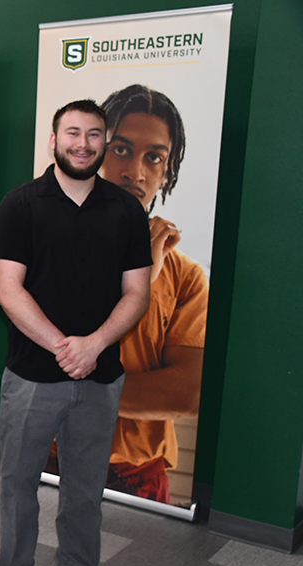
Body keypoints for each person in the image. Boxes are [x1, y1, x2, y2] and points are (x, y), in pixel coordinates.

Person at [0, 100, 151, 566]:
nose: (83, 143)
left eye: (94, 134)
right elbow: (8, 292)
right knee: (19, 481)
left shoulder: (127, 210)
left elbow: (137, 293)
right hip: (33, 374)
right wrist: (66, 346)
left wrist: (94, 345)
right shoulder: (20, 204)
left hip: (101, 376)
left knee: (85, 483)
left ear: (105, 141)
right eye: (73, 133)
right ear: (53, 140)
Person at [99, 84, 208, 503]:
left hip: (137, 473)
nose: (135, 172)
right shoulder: (54, 245)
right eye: (121, 150)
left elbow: (188, 392)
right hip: (55, 455)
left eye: (154, 157)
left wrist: (80, 389)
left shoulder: (185, 276)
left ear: (168, 169)